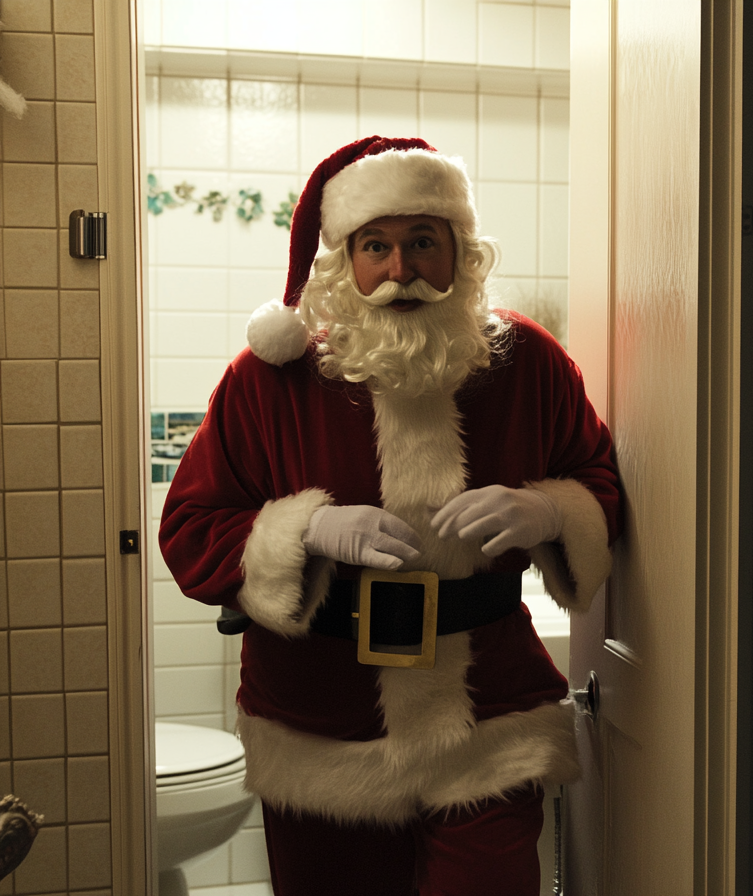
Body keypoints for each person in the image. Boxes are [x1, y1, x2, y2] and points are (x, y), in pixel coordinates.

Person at [158, 136, 622, 896]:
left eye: (422, 243)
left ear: (461, 254)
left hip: (490, 715)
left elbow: (598, 479)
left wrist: (550, 511)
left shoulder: (529, 362)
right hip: (321, 725)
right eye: (377, 246)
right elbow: (189, 529)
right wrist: (302, 533)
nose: (401, 269)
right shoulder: (268, 380)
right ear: (344, 260)